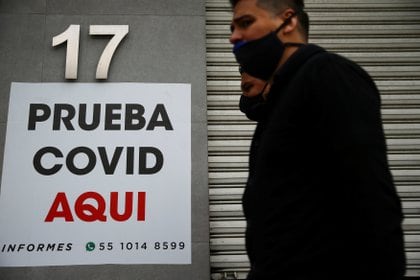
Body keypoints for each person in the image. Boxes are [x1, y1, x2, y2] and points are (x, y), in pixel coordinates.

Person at [229, 0, 406, 279]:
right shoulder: (277, 103)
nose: (233, 37)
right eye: (231, 27)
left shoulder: (327, 74)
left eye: (246, 22)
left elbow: (373, 202)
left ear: (288, 22)